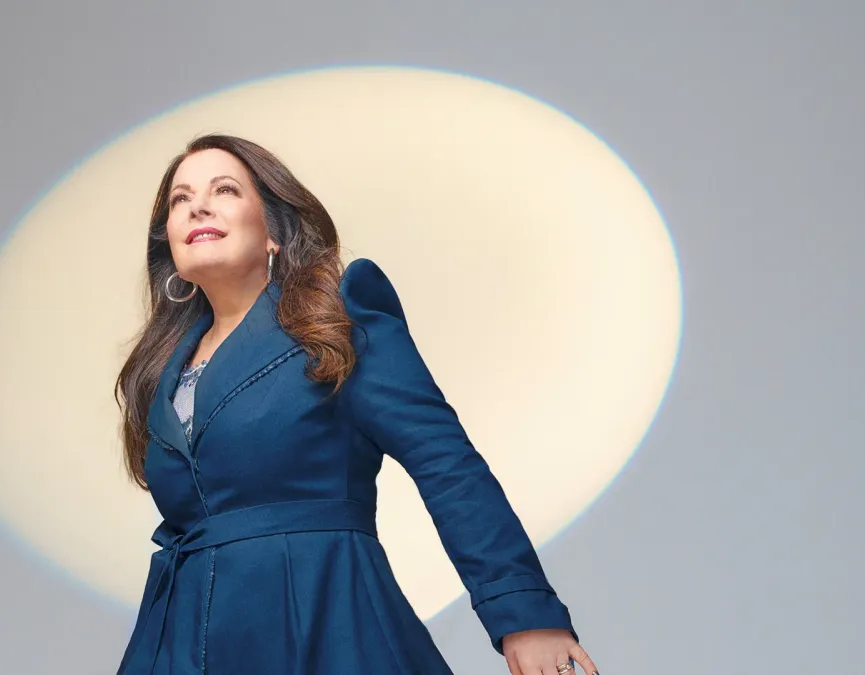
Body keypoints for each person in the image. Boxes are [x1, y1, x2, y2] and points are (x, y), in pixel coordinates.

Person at [113, 133, 600, 675]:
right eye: (180, 199)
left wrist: (524, 613)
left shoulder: (337, 318)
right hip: (182, 641)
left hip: (324, 623)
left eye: (224, 190)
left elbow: (446, 464)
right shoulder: (159, 370)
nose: (197, 206)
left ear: (273, 229)